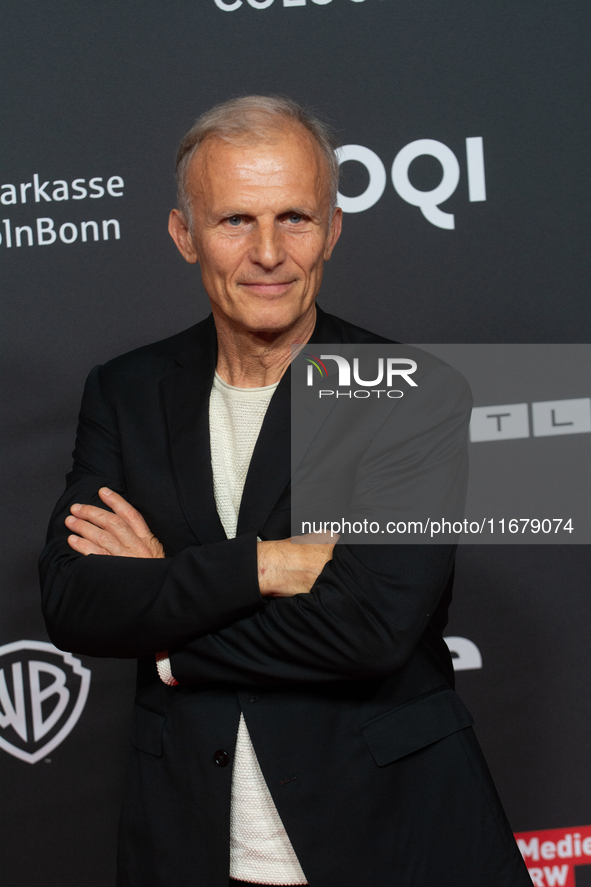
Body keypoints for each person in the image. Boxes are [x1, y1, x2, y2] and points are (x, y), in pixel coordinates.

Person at [40, 96, 531, 887]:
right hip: (190, 844)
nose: (269, 252)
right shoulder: (126, 390)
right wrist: (263, 565)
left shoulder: (406, 389)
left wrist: (164, 631)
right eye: (235, 220)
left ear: (332, 230)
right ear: (183, 235)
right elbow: (74, 600)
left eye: (294, 218)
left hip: (391, 839)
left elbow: (368, 628)